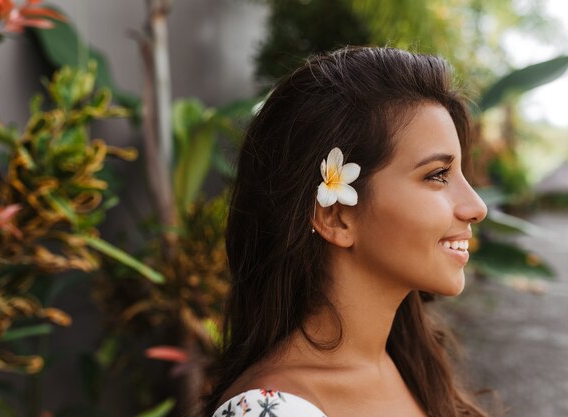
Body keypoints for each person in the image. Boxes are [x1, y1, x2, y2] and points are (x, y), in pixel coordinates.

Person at [204, 46, 492, 417]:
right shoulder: (269, 411)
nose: (477, 207)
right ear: (336, 216)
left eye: (460, 175)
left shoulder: (408, 365)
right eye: (437, 175)